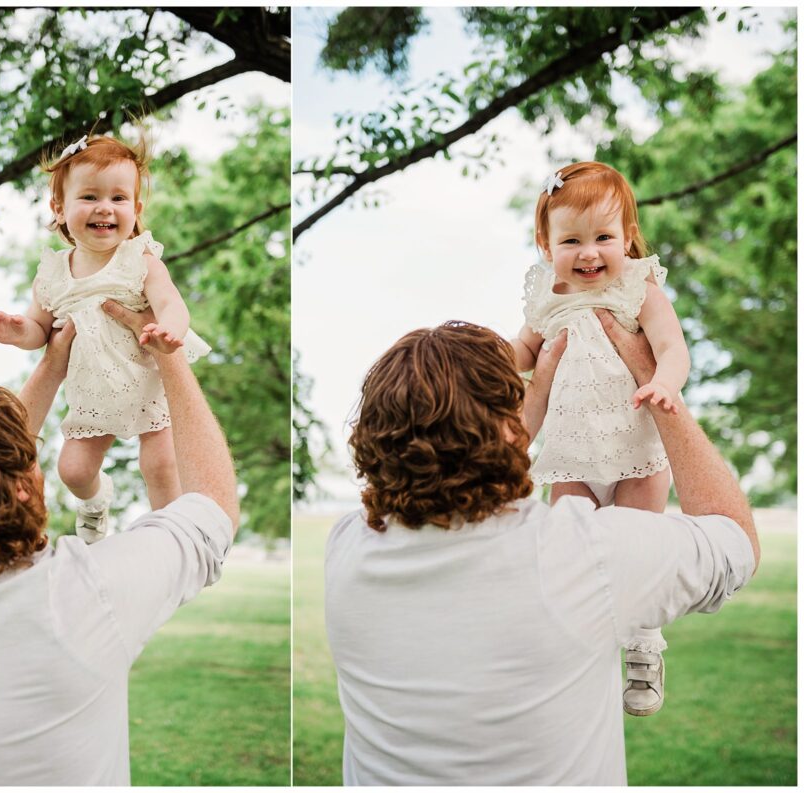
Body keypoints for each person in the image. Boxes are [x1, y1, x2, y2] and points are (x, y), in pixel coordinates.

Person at [325, 317, 758, 786]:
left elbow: (455, 469)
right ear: (510, 431)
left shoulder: (347, 549)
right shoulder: (584, 554)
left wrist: (525, 402)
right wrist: (655, 383)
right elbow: (734, 537)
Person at [0, 301, 238, 786]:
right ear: (20, 487)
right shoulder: (84, 596)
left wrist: (53, 364)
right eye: (29, 458)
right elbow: (214, 507)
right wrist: (170, 355)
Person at [509, 161, 691, 715]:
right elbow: (517, 355)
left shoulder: (640, 288)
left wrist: (663, 382)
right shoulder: (547, 299)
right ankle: (577, 654)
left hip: (636, 453)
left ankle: (643, 650)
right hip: (570, 456)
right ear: (546, 245)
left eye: (604, 238)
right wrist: (486, 357)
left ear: (628, 237)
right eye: (571, 240)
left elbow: (673, 348)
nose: (589, 253)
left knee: (639, 552)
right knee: (570, 557)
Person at [0, 132, 210, 543]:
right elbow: (41, 330)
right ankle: (95, 500)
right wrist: (20, 332)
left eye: (118, 199)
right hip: (94, 390)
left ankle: (177, 537)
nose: (105, 207)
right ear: (59, 208)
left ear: (136, 209)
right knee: (73, 471)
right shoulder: (53, 273)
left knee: (160, 465)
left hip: (146, 382)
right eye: (90, 197)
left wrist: (168, 330)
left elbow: (172, 305)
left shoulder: (139, 260)